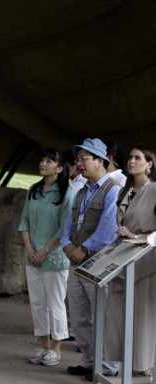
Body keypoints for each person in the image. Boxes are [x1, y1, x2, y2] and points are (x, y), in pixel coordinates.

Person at [60, 138, 121, 380]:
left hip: (97, 262)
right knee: (79, 315)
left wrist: (82, 249)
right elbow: (69, 223)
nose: (80, 164)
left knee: (102, 315)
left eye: (84, 159)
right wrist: (66, 244)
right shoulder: (82, 191)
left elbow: (107, 229)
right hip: (76, 262)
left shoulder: (113, 190)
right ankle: (89, 360)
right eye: (78, 160)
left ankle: (107, 366)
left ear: (100, 161)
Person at [104, 144, 156, 380]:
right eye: (131, 158)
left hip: (147, 262)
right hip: (122, 260)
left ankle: (143, 365)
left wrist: (141, 237)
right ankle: (122, 361)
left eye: (138, 158)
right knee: (117, 312)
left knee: (142, 316)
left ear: (150, 164)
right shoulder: (125, 190)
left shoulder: (155, 190)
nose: (132, 161)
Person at [17, 148, 73, 366]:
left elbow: (64, 229)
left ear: (59, 169)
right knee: (38, 303)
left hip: (55, 257)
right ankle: (44, 347)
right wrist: (30, 249)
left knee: (56, 303)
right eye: (42, 159)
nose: (44, 163)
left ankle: (56, 350)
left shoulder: (66, 193)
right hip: (32, 256)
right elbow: (24, 223)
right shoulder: (33, 190)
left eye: (50, 161)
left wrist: (43, 251)